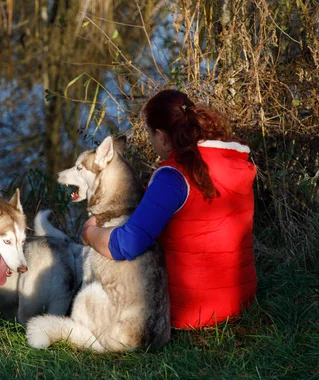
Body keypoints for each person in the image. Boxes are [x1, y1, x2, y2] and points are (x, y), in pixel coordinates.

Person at [82, 89, 257, 329]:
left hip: (188, 312)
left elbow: (126, 244)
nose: (153, 142)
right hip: (241, 301)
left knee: (119, 243)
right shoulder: (233, 161)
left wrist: (90, 232)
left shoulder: (173, 176)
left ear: (162, 137)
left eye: (151, 135)